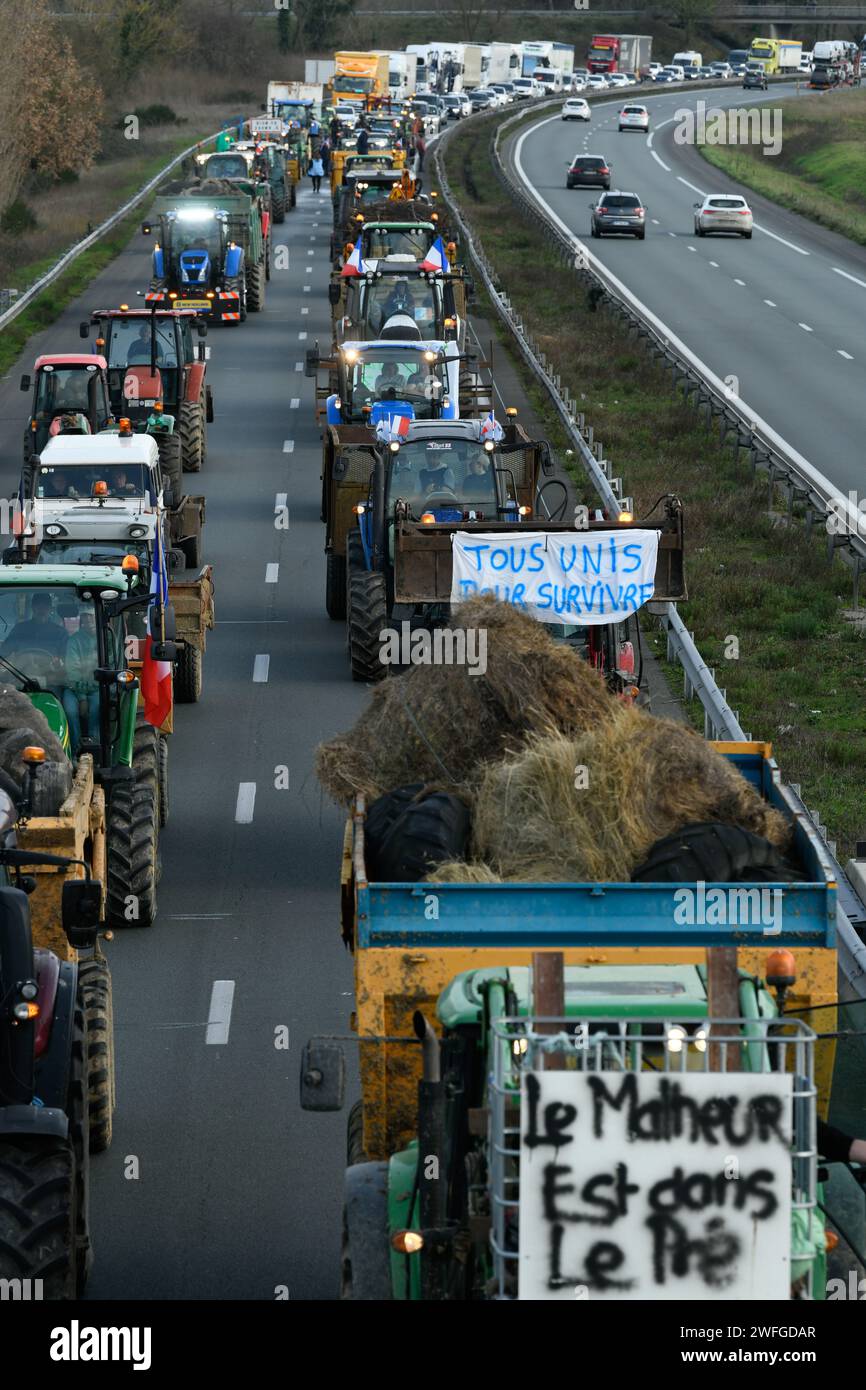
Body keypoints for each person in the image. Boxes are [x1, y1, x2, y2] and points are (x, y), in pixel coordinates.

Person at [61, 606, 100, 753]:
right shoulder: (74, 640)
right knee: (70, 711)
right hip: (74, 688)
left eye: (91, 616)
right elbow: (73, 670)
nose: (88, 620)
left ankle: (93, 745)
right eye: (85, 616)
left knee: (96, 708)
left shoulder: (107, 638)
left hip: (98, 688)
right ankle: (76, 748)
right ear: (81, 619)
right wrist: (82, 698)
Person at [3, 592, 68, 662]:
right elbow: (3, 652)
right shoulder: (19, 629)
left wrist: (58, 663)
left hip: (50, 672)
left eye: (45, 607)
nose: (41, 610)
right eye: (38, 606)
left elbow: (67, 660)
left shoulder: (60, 633)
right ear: (33, 608)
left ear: (50, 608)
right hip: (20, 672)